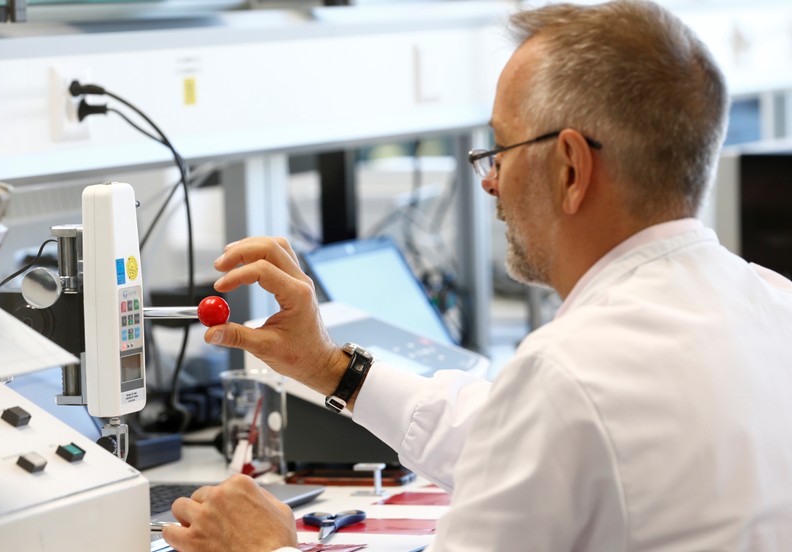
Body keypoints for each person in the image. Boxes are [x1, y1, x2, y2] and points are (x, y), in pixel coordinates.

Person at [163, 0, 792, 550]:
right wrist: (330, 367)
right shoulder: (771, 305)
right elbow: (505, 441)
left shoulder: (570, 373)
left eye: (501, 149)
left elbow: (546, 425)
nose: (489, 180)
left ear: (571, 168)